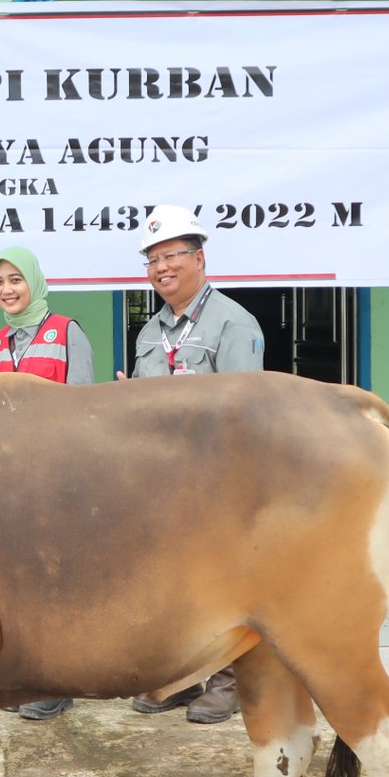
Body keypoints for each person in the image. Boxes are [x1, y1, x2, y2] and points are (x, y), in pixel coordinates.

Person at [117, 204, 264, 725]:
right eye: (152, 259)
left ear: (199, 258)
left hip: (217, 482)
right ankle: (180, 678)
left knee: (224, 583)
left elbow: (245, 415)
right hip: (160, 484)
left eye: (172, 255)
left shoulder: (234, 323)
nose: (161, 268)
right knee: (172, 583)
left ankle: (228, 683)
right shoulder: (148, 332)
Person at [0, 245, 95, 721]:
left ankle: (60, 683)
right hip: (10, 485)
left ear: (34, 282)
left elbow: (86, 409)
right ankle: (28, 681)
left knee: (60, 584)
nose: (7, 290)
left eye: (15, 280)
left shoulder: (67, 332)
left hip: (59, 478)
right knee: (19, 585)